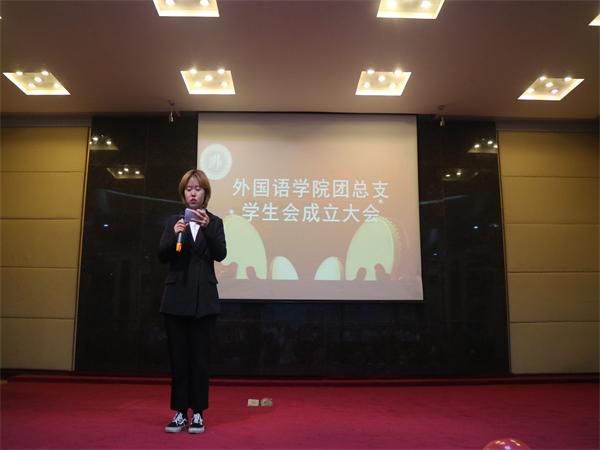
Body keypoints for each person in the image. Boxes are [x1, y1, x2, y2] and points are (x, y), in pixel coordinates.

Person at [157, 169, 227, 434]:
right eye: (189, 189)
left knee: (199, 360)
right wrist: (174, 234)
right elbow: (163, 255)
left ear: (205, 193)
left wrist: (207, 229)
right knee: (179, 360)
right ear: (183, 193)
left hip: (203, 302)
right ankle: (179, 413)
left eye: (198, 189)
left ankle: (198, 413)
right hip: (176, 299)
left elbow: (220, 253)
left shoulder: (215, 222)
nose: (193, 193)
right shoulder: (173, 221)